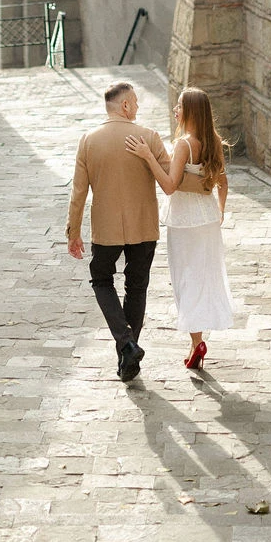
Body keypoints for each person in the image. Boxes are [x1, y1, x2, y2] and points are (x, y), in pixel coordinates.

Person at [68, 81, 171, 381]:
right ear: (125, 105)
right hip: (144, 226)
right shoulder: (149, 137)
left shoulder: (88, 140)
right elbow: (172, 175)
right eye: (136, 102)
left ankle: (126, 346)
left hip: (106, 229)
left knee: (101, 279)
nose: (138, 107)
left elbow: (78, 193)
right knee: (136, 288)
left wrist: (73, 232)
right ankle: (129, 352)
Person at [126, 86, 233, 370]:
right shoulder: (214, 142)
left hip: (184, 220)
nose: (175, 111)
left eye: (179, 107)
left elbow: (170, 186)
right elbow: (223, 183)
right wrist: (219, 211)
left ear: (191, 112)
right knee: (203, 275)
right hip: (207, 217)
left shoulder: (184, 145)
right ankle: (194, 342)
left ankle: (196, 340)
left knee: (185, 278)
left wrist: (148, 156)